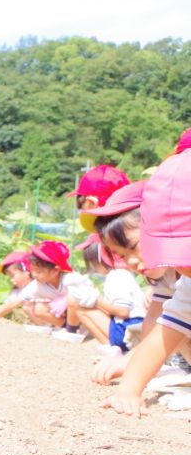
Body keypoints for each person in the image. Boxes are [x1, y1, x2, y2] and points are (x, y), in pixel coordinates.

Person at [102, 152, 191, 415]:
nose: (182, 266)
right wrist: (129, 390)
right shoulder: (187, 283)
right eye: (173, 256)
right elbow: (161, 337)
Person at [80, 181, 191, 386]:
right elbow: (156, 322)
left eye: (133, 247)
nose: (130, 261)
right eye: (122, 255)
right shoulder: (165, 275)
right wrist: (132, 362)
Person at [70, 234, 146, 352]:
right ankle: (113, 348)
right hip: (135, 326)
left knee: (82, 311)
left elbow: (122, 311)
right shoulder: (122, 273)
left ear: (101, 258)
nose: (94, 267)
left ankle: (112, 348)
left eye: (93, 262)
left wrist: (96, 300)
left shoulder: (116, 276)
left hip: (128, 328)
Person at [15, 241, 96, 338]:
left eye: (39, 271)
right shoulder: (38, 284)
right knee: (39, 309)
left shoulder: (70, 279)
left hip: (86, 314)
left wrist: (65, 300)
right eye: (33, 271)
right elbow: (17, 300)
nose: (34, 275)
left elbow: (90, 293)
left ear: (55, 270)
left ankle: (72, 332)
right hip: (69, 317)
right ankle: (69, 328)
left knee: (72, 298)